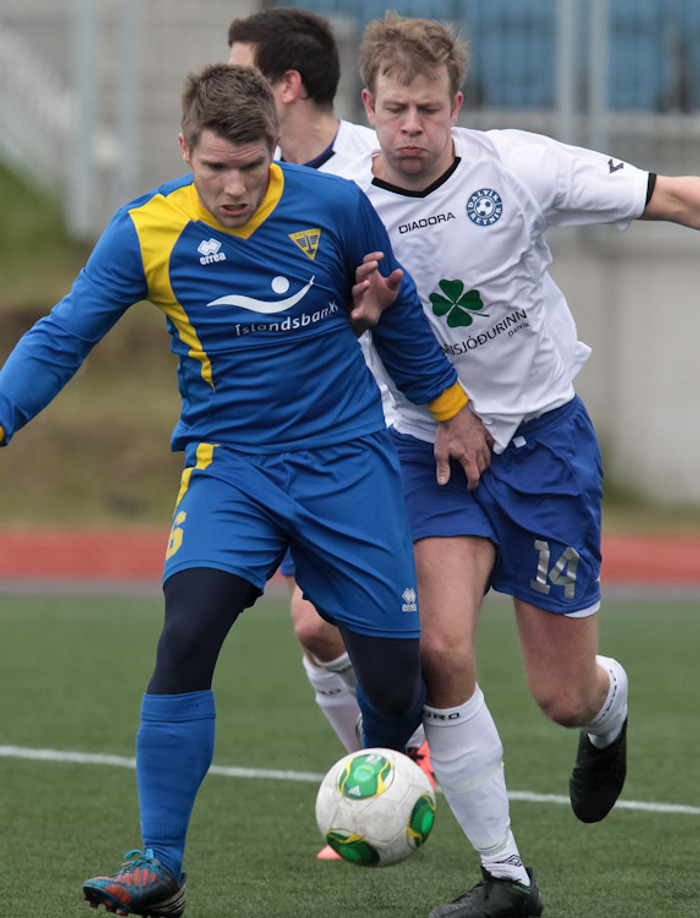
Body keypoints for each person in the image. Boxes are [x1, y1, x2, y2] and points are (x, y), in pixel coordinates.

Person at [0, 63, 491, 917]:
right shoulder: (145, 231)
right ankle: (158, 865)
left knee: (391, 684)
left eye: (252, 166)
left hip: (346, 463)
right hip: (231, 468)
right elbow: (62, 335)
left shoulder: (334, 207)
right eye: (214, 167)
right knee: (186, 631)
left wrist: (451, 411)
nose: (233, 187)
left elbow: (398, 312)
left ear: (276, 149)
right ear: (184, 148)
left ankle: (388, 777)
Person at [341, 12, 700, 918]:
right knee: (440, 650)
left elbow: (674, 197)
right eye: (395, 110)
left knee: (562, 697)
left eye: (429, 109)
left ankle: (608, 708)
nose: (412, 127)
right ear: (367, 107)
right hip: (423, 450)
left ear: (457, 106)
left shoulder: (520, 168)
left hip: (543, 448)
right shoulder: (339, 205)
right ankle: (507, 877)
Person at [227, 4, 435, 811]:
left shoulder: (373, 164)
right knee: (315, 627)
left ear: (286, 84)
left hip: (394, 432)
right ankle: (381, 785)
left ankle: (409, 761)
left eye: (240, 72)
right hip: (305, 435)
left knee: (424, 641)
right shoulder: (246, 180)